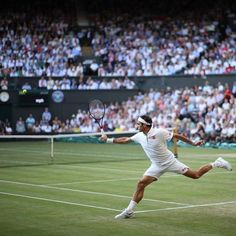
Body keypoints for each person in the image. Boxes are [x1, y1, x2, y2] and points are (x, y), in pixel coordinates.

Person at [100, 115, 232, 219]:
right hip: (156, 166)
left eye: (138, 124)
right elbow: (125, 140)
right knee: (141, 184)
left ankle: (216, 163)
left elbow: (177, 136)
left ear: (145, 125)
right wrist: (108, 140)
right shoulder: (139, 135)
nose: (136, 125)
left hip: (170, 162)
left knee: (196, 175)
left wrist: (193, 143)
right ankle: (129, 211)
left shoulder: (160, 132)